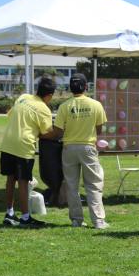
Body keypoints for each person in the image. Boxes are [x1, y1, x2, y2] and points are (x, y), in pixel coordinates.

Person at [53, 73, 109, 229]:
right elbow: (99, 129)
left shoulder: (64, 106)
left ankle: (76, 220)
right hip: (88, 147)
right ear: (86, 87)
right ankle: (98, 221)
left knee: (72, 186)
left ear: (70, 88)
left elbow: (58, 131)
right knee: (94, 185)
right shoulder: (96, 105)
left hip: (69, 148)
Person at [0, 77, 56, 228]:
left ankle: (9, 213)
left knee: (10, 179)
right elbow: (49, 133)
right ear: (50, 95)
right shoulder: (44, 109)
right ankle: (25, 217)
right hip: (24, 146)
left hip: (7, 143)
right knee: (23, 182)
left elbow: (10, 114)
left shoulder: (23, 97)